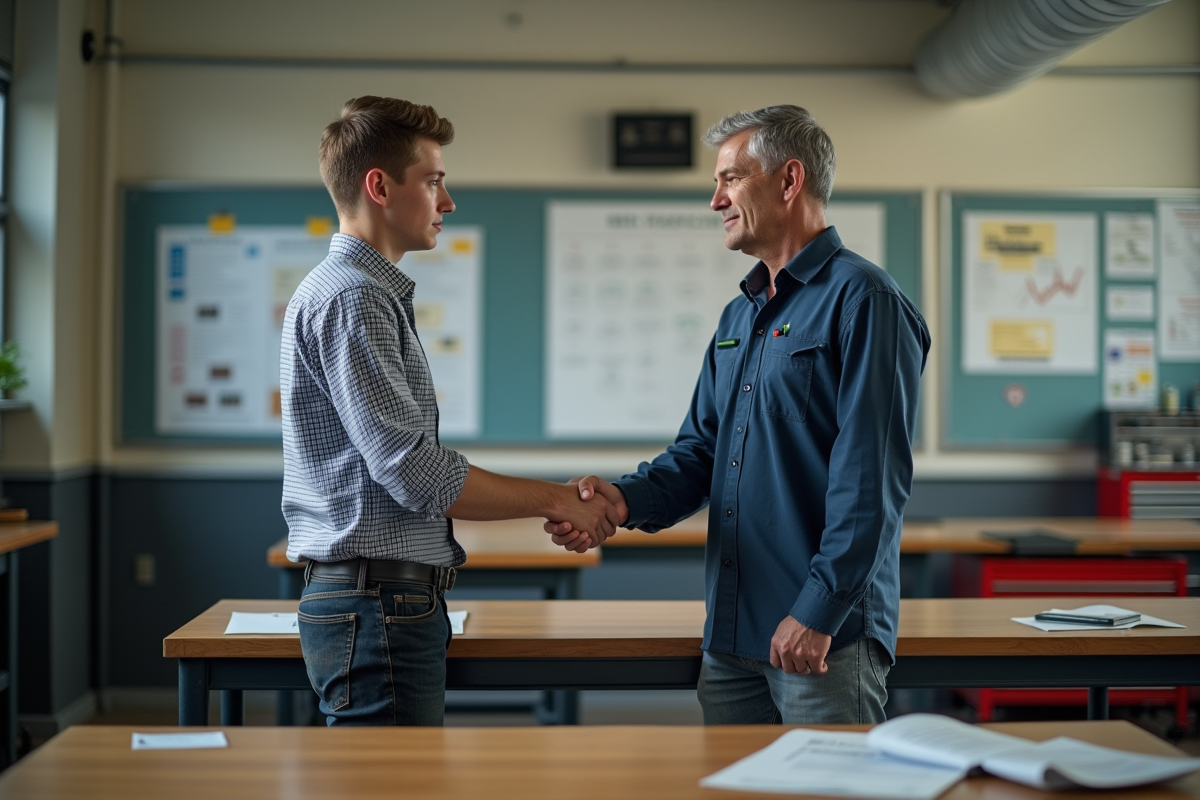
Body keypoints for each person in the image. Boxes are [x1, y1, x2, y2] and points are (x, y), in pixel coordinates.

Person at [549, 105, 930, 725]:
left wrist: (817, 611)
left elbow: (870, 483)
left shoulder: (866, 301)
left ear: (789, 180)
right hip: (732, 635)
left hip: (819, 640)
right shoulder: (740, 315)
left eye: (730, 178)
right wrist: (618, 501)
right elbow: (700, 452)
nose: (715, 199)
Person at [281, 96, 613, 726]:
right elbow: (416, 474)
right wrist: (557, 500)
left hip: (378, 597)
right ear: (379, 186)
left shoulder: (359, 293)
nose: (448, 201)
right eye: (433, 181)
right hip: (378, 603)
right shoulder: (355, 299)